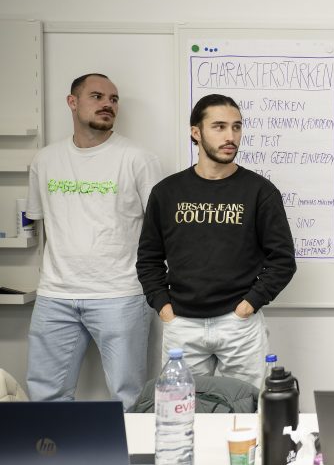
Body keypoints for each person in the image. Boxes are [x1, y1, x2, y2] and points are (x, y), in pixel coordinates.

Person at [136, 94, 296, 388]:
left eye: (236, 127)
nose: (230, 136)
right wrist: (164, 308)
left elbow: (283, 260)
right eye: (219, 127)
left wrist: (247, 306)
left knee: (248, 407)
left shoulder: (260, 192)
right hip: (181, 324)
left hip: (239, 325)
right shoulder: (166, 192)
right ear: (196, 132)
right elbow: (149, 259)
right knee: (182, 407)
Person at [25, 73, 162, 408]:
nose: (107, 105)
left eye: (113, 99)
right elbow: (37, 218)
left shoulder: (138, 158)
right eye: (97, 97)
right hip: (55, 294)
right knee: (45, 396)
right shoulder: (45, 160)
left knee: (128, 397)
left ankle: (130, 447)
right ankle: (52, 446)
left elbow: (161, 228)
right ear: (72, 102)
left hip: (121, 293)